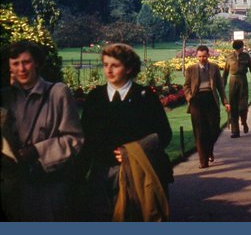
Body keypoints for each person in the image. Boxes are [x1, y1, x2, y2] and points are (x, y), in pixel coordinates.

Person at [80, 43, 173, 221]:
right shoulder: (95, 98)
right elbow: (86, 137)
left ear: (129, 68)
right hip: (101, 174)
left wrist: (132, 151)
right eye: (105, 65)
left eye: (115, 65)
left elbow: (163, 134)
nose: (109, 70)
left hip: (136, 175)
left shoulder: (145, 97)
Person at [1, 41, 84, 221]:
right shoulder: (5, 97)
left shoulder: (58, 93)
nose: (21, 68)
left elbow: (75, 139)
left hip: (48, 186)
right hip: (14, 187)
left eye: (26, 62)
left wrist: (38, 151)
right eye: (15, 64)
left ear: (37, 63)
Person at [184, 45, 229, 168]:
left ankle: (209, 150)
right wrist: (190, 98)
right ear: (196, 56)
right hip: (197, 100)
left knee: (214, 129)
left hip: (211, 99)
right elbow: (186, 86)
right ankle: (203, 161)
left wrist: (226, 102)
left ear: (208, 55)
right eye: (199, 56)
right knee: (199, 132)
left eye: (204, 56)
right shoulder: (191, 69)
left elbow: (220, 87)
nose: (202, 59)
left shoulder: (214, 68)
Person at [223, 39, 251, 138]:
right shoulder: (229, 57)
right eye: (242, 47)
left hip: (243, 80)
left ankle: (244, 121)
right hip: (233, 80)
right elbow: (225, 73)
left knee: (243, 106)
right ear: (238, 47)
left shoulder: (246, 56)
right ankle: (235, 131)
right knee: (233, 107)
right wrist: (222, 86)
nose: (243, 48)